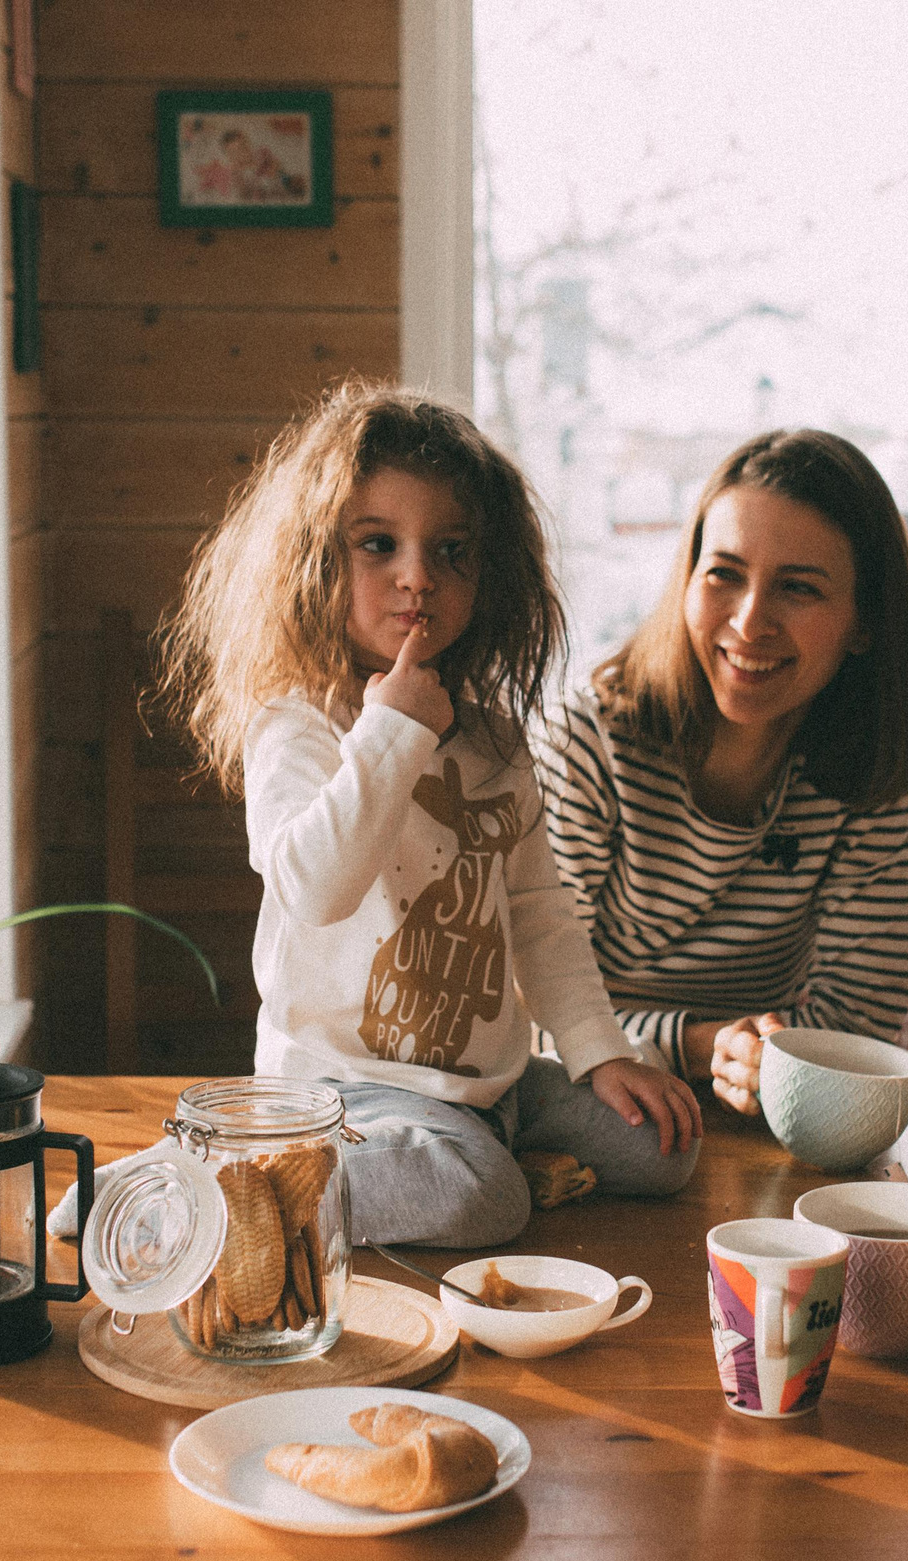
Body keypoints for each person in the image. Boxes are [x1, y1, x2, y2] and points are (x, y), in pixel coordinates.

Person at [160, 382, 700, 1247]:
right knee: (481, 1200)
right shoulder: (296, 722)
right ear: (315, 561)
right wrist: (394, 731)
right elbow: (315, 888)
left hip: (493, 1081)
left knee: (662, 1150)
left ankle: (465, 1151)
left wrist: (599, 1048)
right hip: (348, 1086)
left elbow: (538, 913)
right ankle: (214, 1193)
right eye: (378, 544)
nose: (419, 575)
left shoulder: (492, 738)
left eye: (452, 550)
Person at [538, 429, 908, 1117]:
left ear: (864, 623)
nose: (750, 620)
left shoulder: (863, 773)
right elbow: (529, 1015)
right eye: (724, 574)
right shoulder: (588, 743)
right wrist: (701, 1047)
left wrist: (756, 1060)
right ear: (688, 580)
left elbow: (859, 1029)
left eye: (798, 588)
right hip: (587, 1109)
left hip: (772, 1123)